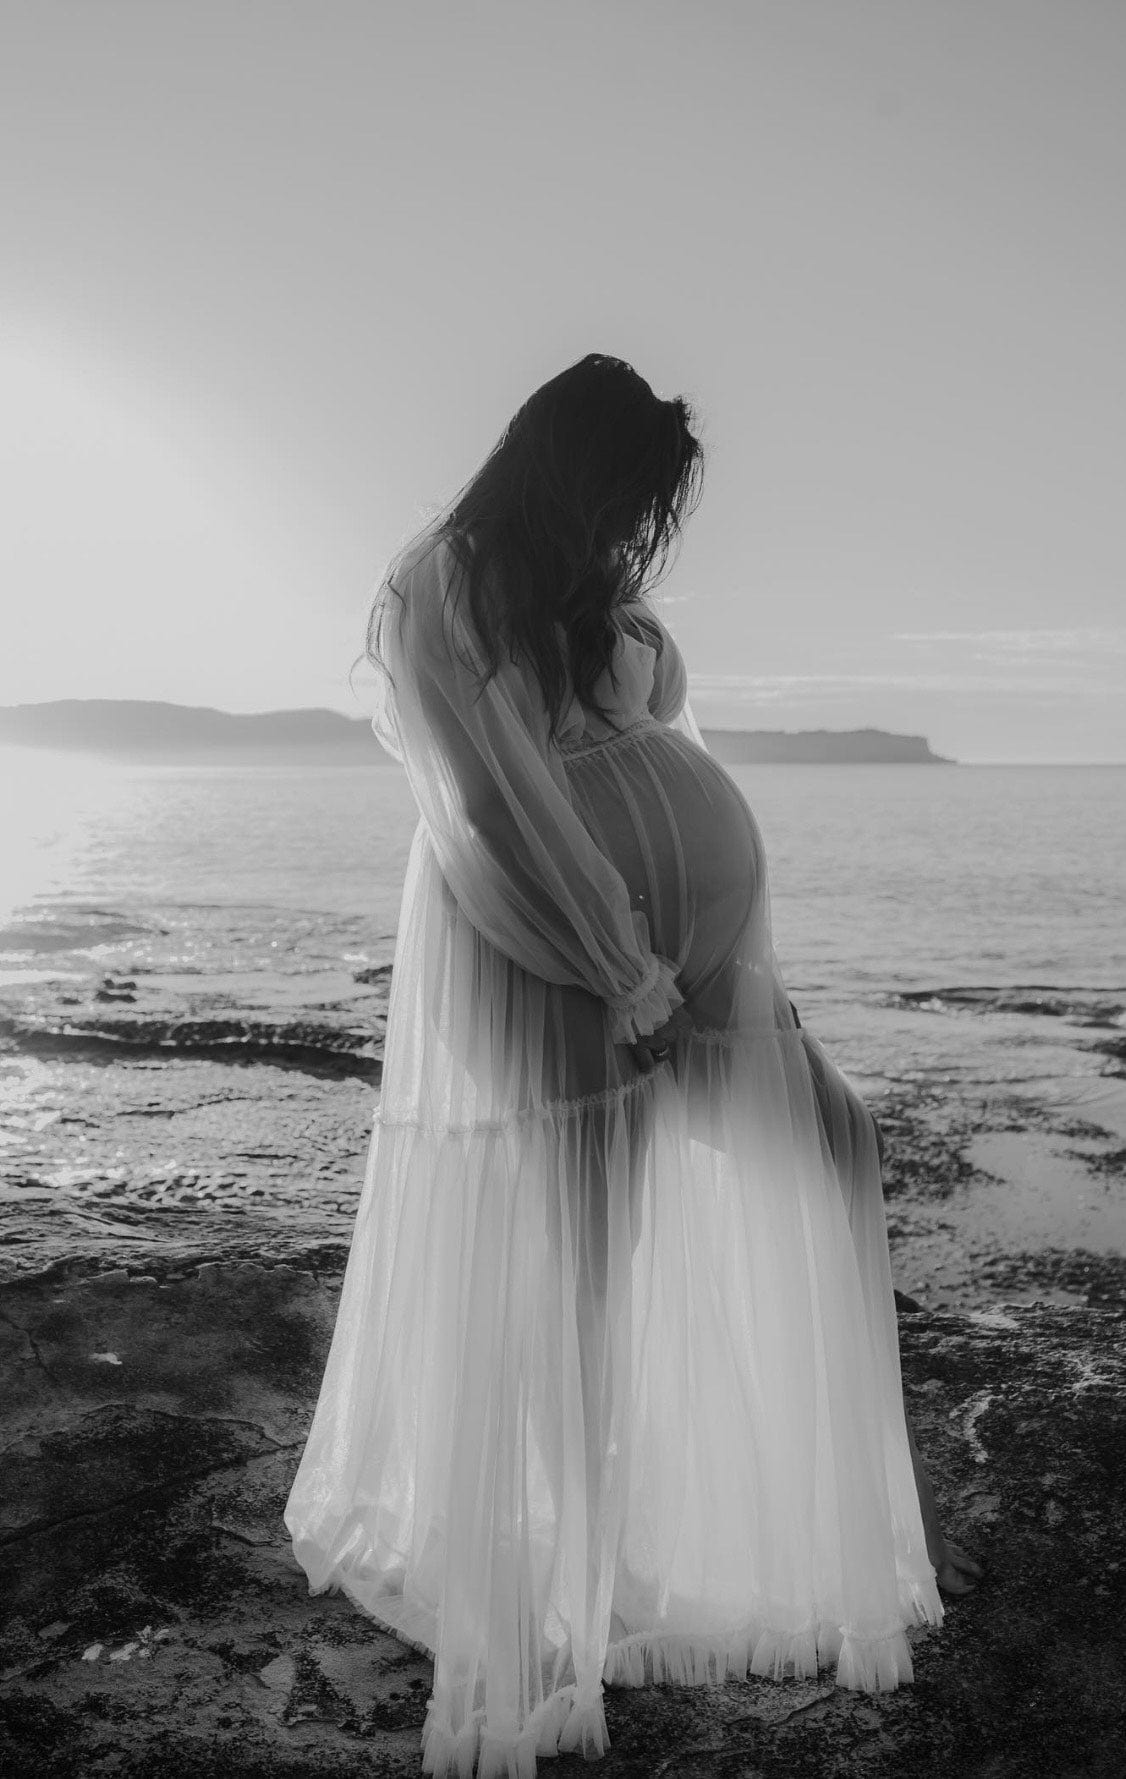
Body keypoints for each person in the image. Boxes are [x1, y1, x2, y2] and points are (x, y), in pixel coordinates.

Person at [284, 354, 982, 1779]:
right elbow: (495, 800)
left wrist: (718, 960)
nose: (639, 528)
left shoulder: (599, 591)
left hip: (685, 965)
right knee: (580, 1273)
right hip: (546, 959)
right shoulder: (447, 581)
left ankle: (732, 1529)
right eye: (627, 496)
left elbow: (659, 753)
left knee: (836, 1151)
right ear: (566, 464)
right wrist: (624, 967)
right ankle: (562, 1609)